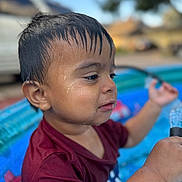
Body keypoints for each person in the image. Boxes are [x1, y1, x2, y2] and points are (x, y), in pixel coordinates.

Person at [19, 12, 182, 182]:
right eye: (91, 76)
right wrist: (155, 173)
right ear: (40, 95)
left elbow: (130, 136)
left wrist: (155, 104)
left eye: (111, 75)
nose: (111, 86)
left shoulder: (95, 125)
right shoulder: (49, 169)